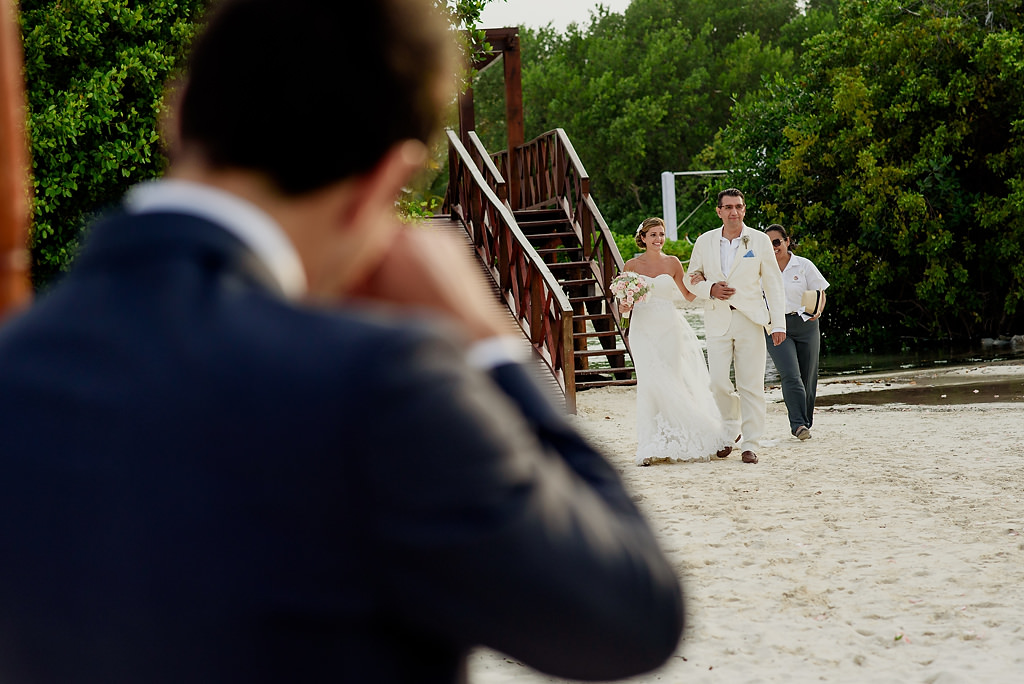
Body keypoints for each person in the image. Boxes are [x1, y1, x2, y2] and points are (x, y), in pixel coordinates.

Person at [0, 1, 684, 682]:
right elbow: (632, 616)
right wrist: (489, 347)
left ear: (175, 114)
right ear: (385, 180)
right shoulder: (377, 385)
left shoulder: (15, 363)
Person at [683, 188, 787, 465]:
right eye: (727, 207)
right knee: (717, 382)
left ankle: (750, 443)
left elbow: (773, 284)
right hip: (717, 319)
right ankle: (730, 431)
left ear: (744, 209)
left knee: (751, 385)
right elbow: (690, 277)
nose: (733, 212)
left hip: (751, 319)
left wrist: (778, 323)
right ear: (718, 211)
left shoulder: (760, 240)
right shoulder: (705, 241)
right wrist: (710, 289)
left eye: (738, 207)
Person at [619, 218, 730, 466]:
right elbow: (624, 304)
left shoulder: (673, 263)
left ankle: (696, 434)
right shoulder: (631, 264)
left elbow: (689, 295)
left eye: (662, 234)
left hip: (669, 328)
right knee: (648, 384)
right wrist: (624, 306)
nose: (658, 239)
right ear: (643, 238)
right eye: (654, 235)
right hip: (642, 329)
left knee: (672, 381)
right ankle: (648, 447)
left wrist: (710, 287)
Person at [764, 224, 830, 440]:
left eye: (777, 242)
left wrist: (818, 311)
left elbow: (820, 292)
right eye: (768, 243)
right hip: (776, 326)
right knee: (790, 375)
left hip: (805, 324)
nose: (773, 247)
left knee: (808, 376)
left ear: (787, 241)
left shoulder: (803, 265)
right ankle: (798, 425)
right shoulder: (761, 269)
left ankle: (805, 422)